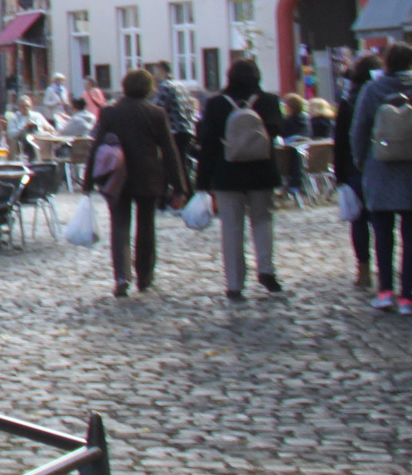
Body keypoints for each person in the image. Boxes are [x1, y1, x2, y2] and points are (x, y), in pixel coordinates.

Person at [352, 42, 412, 315]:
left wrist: (362, 161)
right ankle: (407, 296)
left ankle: (385, 292)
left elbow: (359, 129)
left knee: (382, 233)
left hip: (379, 167)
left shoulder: (372, 90)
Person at [91, 68, 187, 297]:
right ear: (149, 88)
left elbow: (96, 147)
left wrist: (88, 181)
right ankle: (144, 275)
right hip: (148, 175)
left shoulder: (110, 113)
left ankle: (122, 276)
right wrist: (180, 186)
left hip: (118, 176)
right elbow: (169, 151)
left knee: (120, 226)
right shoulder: (156, 113)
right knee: (146, 227)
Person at [196, 57, 286, 300]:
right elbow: (278, 131)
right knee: (263, 221)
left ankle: (235, 284)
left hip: (227, 173)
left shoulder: (215, 104)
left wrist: (203, 182)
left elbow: (207, 144)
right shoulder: (268, 101)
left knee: (232, 228)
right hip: (261, 171)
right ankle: (266, 269)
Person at [331, 53, 378, 286]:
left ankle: (364, 269)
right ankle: (385, 267)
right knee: (381, 220)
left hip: (354, 167)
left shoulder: (348, 102)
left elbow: (339, 141)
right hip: (381, 164)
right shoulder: (383, 96)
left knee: (358, 221)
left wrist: (339, 174)